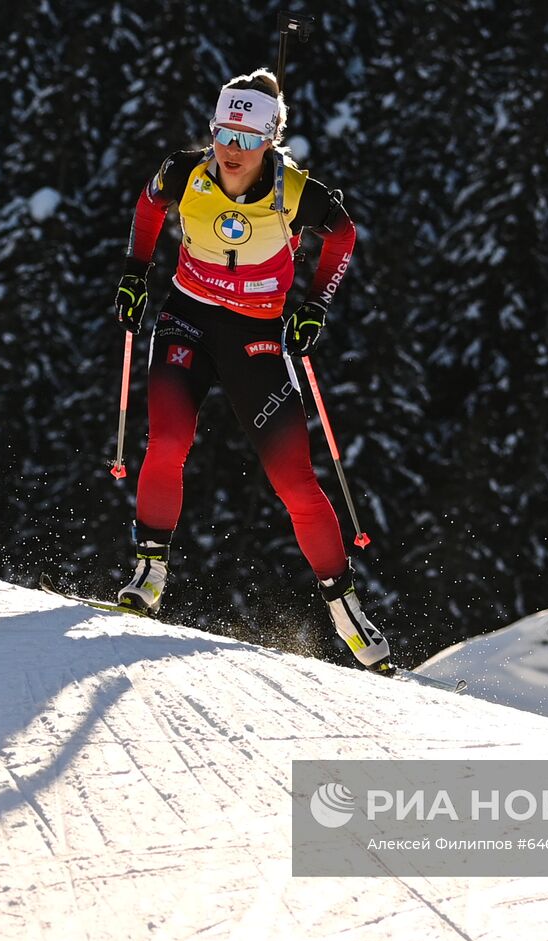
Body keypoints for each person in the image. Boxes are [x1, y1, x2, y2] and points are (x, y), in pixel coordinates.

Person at [110, 67, 393, 672]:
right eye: (223, 134)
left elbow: (342, 237)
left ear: (270, 140)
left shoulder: (295, 190)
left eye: (247, 138)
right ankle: (149, 571)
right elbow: (147, 204)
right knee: (167, 443)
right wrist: (136, 273)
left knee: (294, 480)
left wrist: (316, 305)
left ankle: (346, 612)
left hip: (256, 337)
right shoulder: (186, 170)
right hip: (187, 319)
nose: (232, 150)